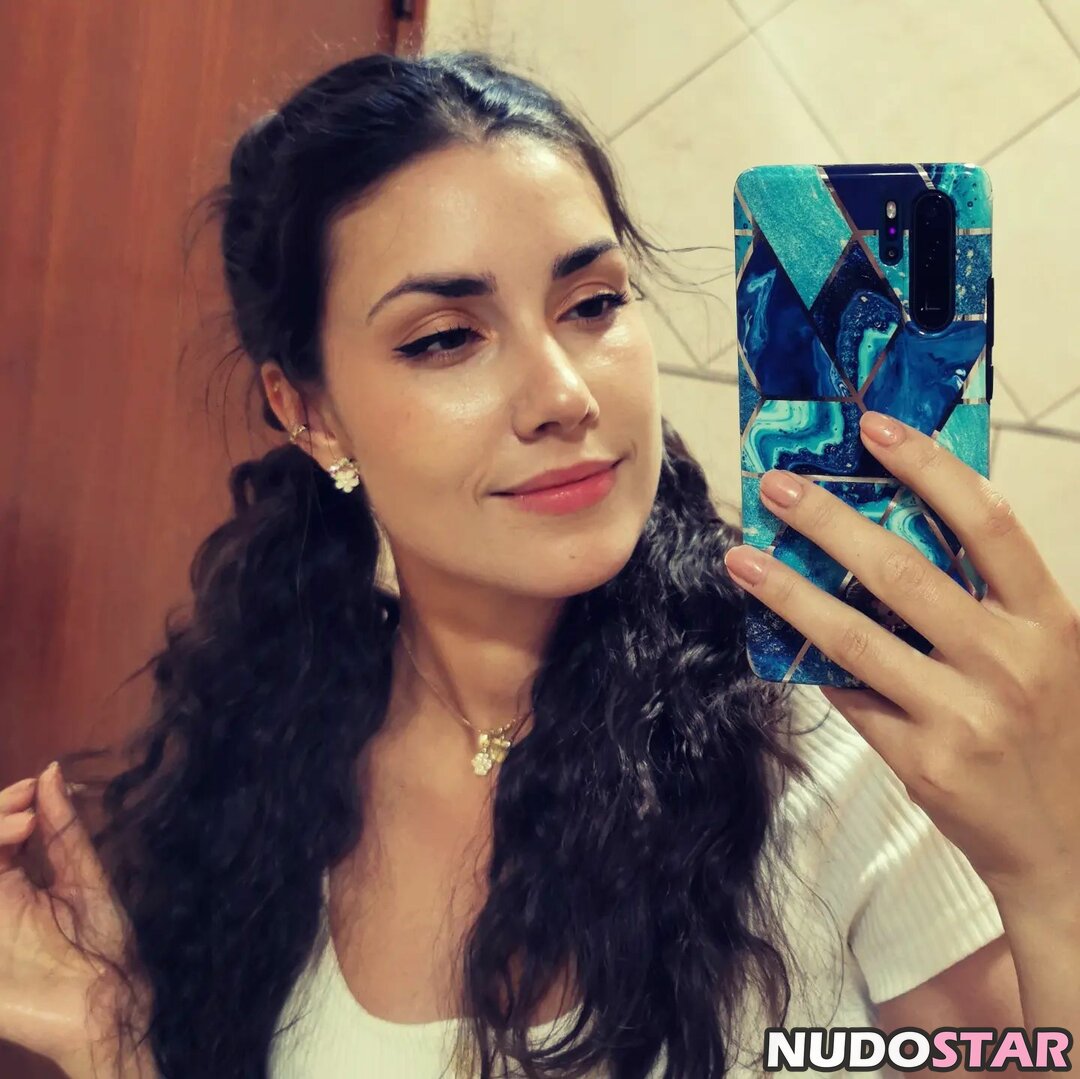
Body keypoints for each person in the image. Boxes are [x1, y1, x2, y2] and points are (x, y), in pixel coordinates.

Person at [1, 49, 1077, 1079]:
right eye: (445, 338)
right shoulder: (262, 754)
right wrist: (111, 1043)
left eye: (593, 303)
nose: (564, 393)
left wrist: (1056, 873)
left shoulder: (826, 734)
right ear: (309, 411)